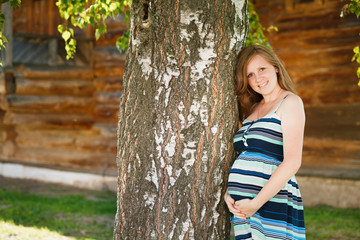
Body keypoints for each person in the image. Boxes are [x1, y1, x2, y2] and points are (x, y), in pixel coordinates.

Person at [224, 45, 306, 239]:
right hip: (243, 208)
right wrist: (230, 193)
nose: (258, 78)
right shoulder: (252, 109)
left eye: (262, 69)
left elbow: (292, 162)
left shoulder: (290, 102)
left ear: (276, 67)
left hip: (271, 201)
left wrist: (256, 203)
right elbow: (244, 156)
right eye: (250, 74)